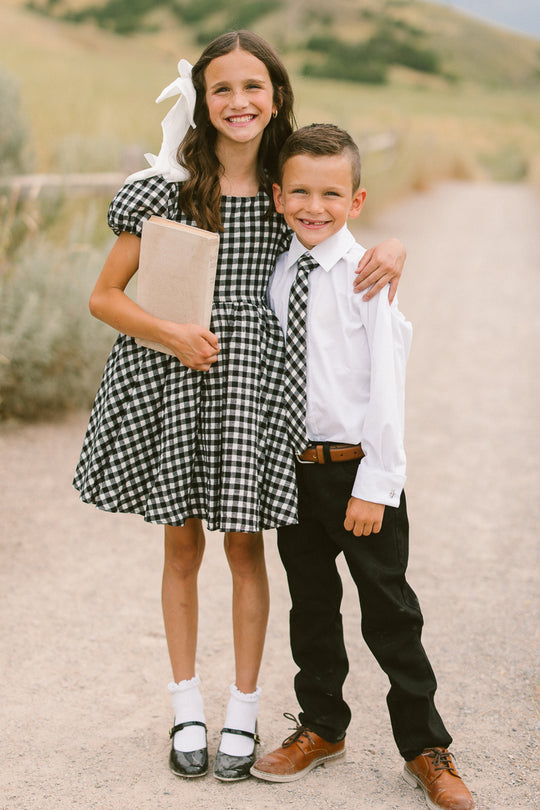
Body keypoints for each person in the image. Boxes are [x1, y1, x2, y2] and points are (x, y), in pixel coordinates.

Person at [73, 33, 406, 784]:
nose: (239, 102)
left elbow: (338, 232)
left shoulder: (291, 186)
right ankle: (186, 704)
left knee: (246, 549)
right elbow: (104, 297)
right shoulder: (163, 187)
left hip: (252, 390)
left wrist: (397, 249)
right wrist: (171, 333)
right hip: (173, 375)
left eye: (253, 86)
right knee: (182, 547)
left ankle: (244, 710)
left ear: (277, 94)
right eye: (221, 88)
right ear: (201, 97)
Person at [250, 124, 475, 810]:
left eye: (331, 193)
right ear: (278, 196)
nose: (314, 206)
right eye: (301, 192)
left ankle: (425, 746)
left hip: (359, 472)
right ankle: (321, 727)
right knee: (311, 607)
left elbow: (387, 387)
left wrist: (377, 484)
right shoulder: (274, 269)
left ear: (356, 199)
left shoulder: (368, 272)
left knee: (389, 612)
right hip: (295, 471)